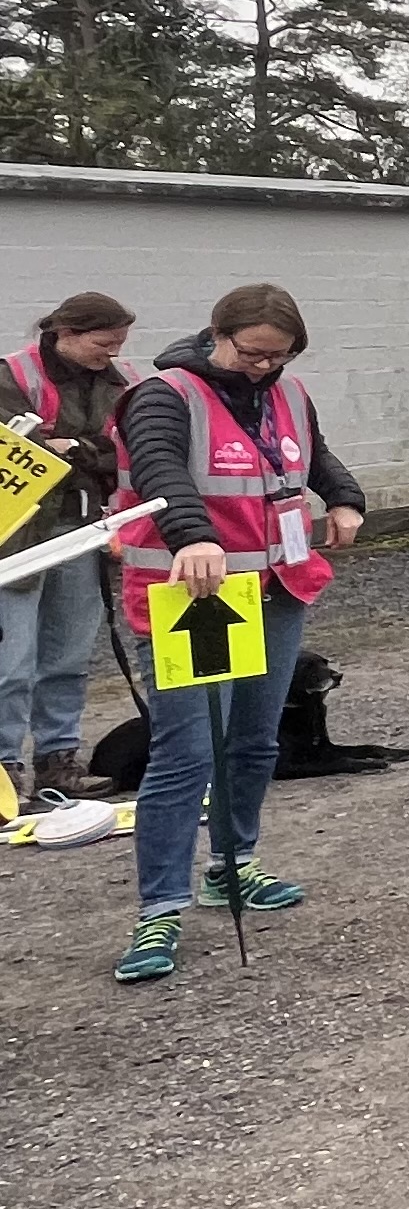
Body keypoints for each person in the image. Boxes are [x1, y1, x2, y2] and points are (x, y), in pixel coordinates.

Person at [109, 283, 368, 985]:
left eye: (277, 357)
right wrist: (192, 536)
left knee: (255, 741)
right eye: (253, 354)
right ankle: (160, 909)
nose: (263, 368)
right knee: (187, 752)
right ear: (218, 335)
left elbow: (313, 456)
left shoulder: (289, 390)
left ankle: (234, 865)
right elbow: (161, 470)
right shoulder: (166, 395)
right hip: (193, 596)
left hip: (276, 588)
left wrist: (345, 498)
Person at [3, 293, 139, 801]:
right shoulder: (13, 375)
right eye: (104, 343)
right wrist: (77, 451)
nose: (113, 353)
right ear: (66, 335)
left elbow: (126, 449)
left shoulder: (122, 382)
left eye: (119, 344)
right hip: (16, 538)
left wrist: (70, 448)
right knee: (10, 660)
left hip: (81, 531)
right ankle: (6, 771)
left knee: (67, 656)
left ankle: (58, 762)